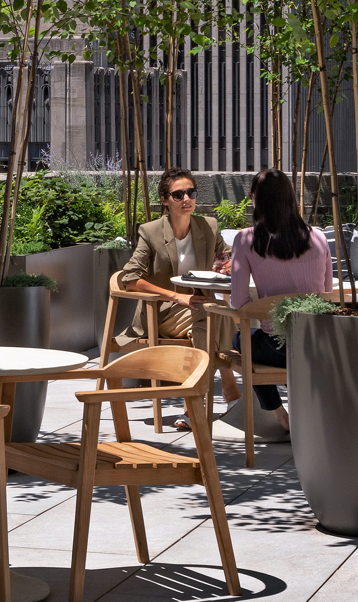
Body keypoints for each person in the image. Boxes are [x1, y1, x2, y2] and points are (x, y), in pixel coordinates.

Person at [200, 169, 332, 432]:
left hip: (278, 349)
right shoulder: (318, 236)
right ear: (291, 199)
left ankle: (278, 412)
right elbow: (326, 294)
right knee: (252, 340)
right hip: (319, 346)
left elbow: (238, 302)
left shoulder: (247, 239)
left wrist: (265, 310)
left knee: (242, 340)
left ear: (254, 199)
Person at [117, 168, 230, 345]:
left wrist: (233, 262)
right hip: (161, 312)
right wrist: (177, 297)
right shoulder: (150, 232)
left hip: (197, 308)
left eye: (191, 193)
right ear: (164, 200)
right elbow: (130, 280)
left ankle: (203, 373)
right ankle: (230, 372)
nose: (187, 199)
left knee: (202, 330)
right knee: (220, 309)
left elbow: (226, 257)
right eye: (178, 195)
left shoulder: (209, 227)